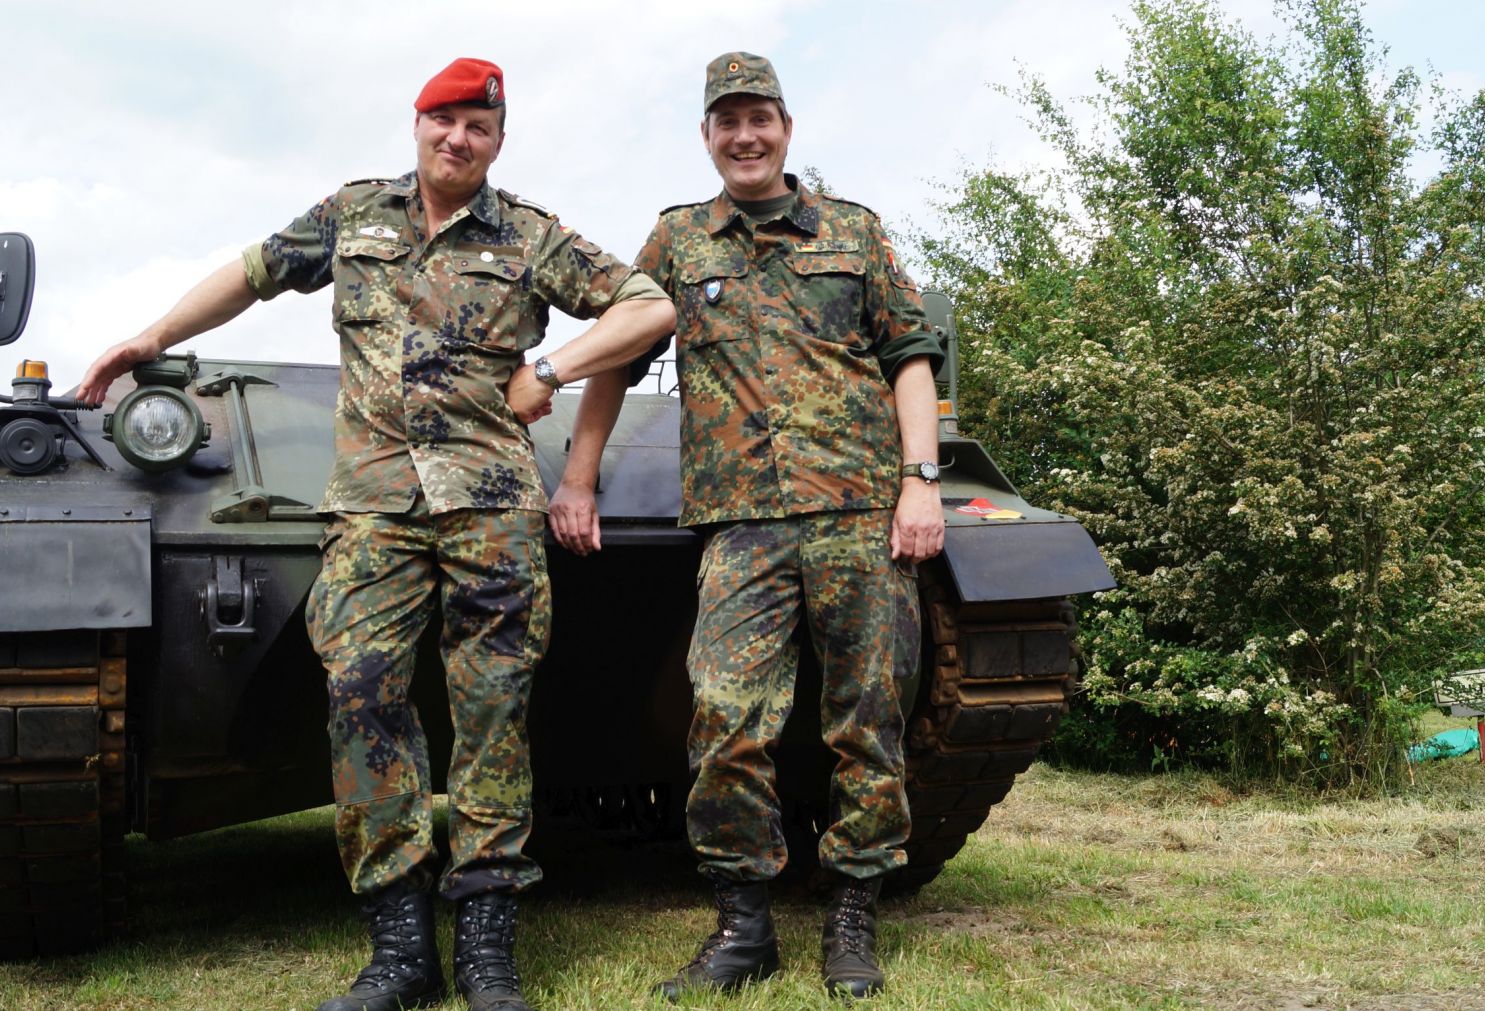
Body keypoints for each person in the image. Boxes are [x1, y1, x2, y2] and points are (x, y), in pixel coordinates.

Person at [74, 58, 673, 1011]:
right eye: (445, 120)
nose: (458, 138)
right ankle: (400, 944)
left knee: (493, 713)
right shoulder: (353, 215)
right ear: (418, 123)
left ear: (498, 140)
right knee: (360, 696)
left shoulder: (531, 235)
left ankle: (487, 944)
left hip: (489, 507)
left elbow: (649, 305)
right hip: (373, 508)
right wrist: (153, 336)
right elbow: (254, 272)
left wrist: (551, 371)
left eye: (478, 126)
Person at [552, 52, 945, 1001]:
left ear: (786, 128)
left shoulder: (854, 230)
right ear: (706, 136)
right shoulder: (678, 241)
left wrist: (921, 481)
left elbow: (909, 356)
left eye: (759, 117)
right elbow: (617, 354)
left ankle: (852, 913)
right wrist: (578, 477)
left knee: (868, 716)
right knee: (725, 714)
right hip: (741, 524)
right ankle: (744, 924)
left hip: (858, 511)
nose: (745, 136)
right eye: (726, 121)